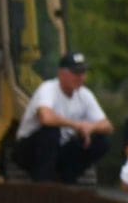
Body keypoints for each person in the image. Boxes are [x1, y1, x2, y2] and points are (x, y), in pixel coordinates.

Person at [17, 53, 112, 182]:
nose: (81, 78)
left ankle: (68, 178)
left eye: (83, 73)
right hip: (31, 150)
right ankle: (43, 183)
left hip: (60, 149)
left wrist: (91, 127)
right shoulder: (48, 88)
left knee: (102, 141)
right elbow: (46, 118)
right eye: (76, 73)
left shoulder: (85, 94)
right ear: (62, 74)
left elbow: (107, 126)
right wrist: (77, 125)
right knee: (51, 132)